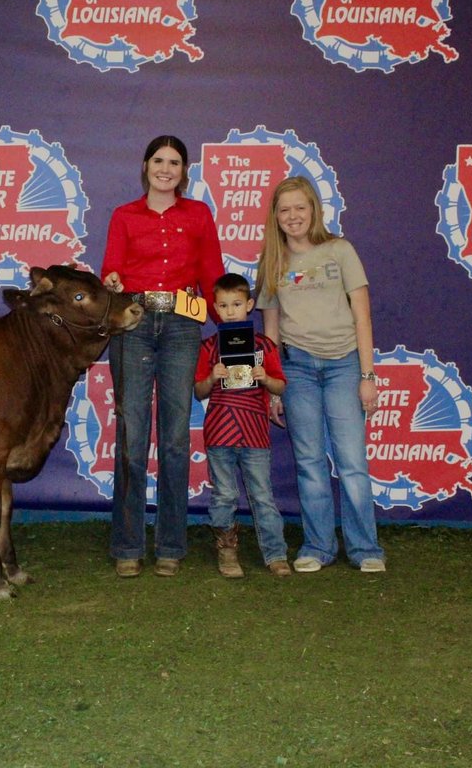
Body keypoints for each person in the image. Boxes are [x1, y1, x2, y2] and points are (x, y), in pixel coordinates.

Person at [101, 135, 225, 578]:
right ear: (145, 165)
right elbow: (111, 268)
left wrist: (229, 332)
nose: (166, 168)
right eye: (159, 160)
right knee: (133, 437)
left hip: (181, 325)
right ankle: (128, 544)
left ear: (184, 170)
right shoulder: (124, 215)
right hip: (133, 324)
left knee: (174, 438)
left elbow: (213, 275)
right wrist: (112, 282)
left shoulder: (199, 215)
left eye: (175, 162)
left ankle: (171, 543)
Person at [254, 176, 386, 573]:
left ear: (313, 210)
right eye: (284, 210)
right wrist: (274, 388)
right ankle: (318, 546)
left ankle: (365, 549)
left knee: (351, 461)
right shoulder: (273, 262)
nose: (293, 216)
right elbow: (271, 329)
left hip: (344, 364)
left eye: (300, 207)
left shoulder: (340, 251)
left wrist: (367, 374)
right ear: (275, 217)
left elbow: (362, 315)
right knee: (309, 461)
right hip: (296, 370)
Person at [194, 273, 290, 578]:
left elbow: (280, 387)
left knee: (262, 495)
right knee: (224, 495)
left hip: (255, 434)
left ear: (249, 305)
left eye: (237, 303)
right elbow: (198, 391)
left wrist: (266, 378)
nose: (231, 310)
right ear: (215, 308)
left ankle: (275, 554)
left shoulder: (264, 345)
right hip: (220, 432)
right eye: (223, 305)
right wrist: (211, 376)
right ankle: (227, 550)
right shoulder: (209, 347)